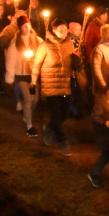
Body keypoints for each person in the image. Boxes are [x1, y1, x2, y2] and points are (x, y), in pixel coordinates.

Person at [31, 18, 80, 156]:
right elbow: (37, 65)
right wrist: (33, 82)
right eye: (61, 30)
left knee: (64, 115)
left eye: (65, 29)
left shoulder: (70, 44)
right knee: (56, 116)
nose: (64, 32)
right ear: (54, 31)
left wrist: (76, 63)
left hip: (65, 85)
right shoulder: (44, 46)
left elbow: (72, 66)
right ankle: (63, 142)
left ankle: (50, 128)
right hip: (50, 87)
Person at [0, 14, 41, 136]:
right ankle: (29, 126)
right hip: (21, 75)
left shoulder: (37, 40)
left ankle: (26, 115)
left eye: (28, 25)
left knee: (35, 99)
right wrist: (10, 76)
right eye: (24, 26)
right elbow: (10, 61)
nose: (27, 28)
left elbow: (46, 49)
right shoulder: (15, 43)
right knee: (28, 98)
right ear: (20, 28)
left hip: (33, 75)